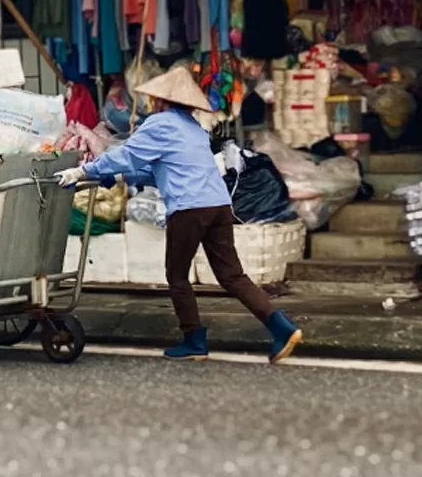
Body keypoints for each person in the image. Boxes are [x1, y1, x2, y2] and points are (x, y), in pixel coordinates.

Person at [55, 67, 302, 363]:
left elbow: (128, 154)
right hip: (219, 206)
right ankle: (281, 327)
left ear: (160, 101)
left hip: (189, 209)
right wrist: (118, 177)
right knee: (232, 276)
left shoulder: (159, 124)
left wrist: (85, 170)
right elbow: (158, 171)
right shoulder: (194, 129)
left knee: (177, 275)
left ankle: (194, 339)